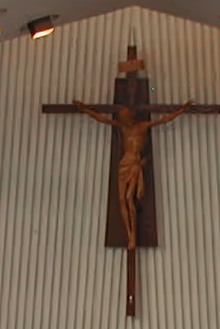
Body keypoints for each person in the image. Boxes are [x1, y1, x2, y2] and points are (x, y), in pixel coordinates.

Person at [70, 98, 199, 250]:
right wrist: (84, 108)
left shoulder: (143, 127)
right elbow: (101, 119)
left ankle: (133, 236)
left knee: (129, 199)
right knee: (121, 200)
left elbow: (165, 119)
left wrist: (182, 109)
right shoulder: (123, 128)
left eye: (125, 116)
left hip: (135, 164)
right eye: (122, 118)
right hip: (125, 163)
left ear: (131, 115)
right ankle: (128, 232)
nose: (123, 119)